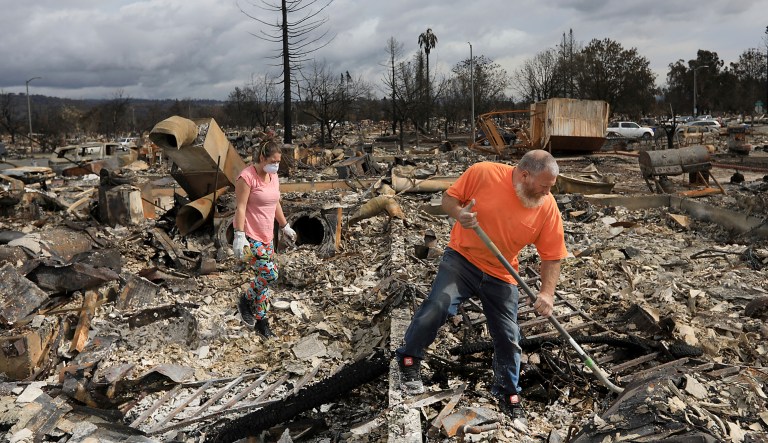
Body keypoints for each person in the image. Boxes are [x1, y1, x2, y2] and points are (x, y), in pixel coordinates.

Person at [395, 150, 567, 429]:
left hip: (502, 273)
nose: (548, 192)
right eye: (544, 185)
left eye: (551, 187)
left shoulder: (546, 206)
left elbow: (553, 255)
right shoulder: (484, 173)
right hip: (463, 259)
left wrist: (547, 293)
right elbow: (448, 199)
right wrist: (459, 214)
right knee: (439, 304)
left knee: (509, 336)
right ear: (524, 175)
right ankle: (409, 358)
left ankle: (508, 393)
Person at [232, 140, 296, 338]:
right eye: (273, 161)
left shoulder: (273, 176)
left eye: (278, 162)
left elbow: (275, 202)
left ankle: (262, 322)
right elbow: (241, 207)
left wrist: (285, 226)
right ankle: (245, 298)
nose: (276, 165)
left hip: (268, 236)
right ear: (262, 158)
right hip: (251, 236)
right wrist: (239, 234)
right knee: (271, 275)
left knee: (265, 284)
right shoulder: (247, 177)